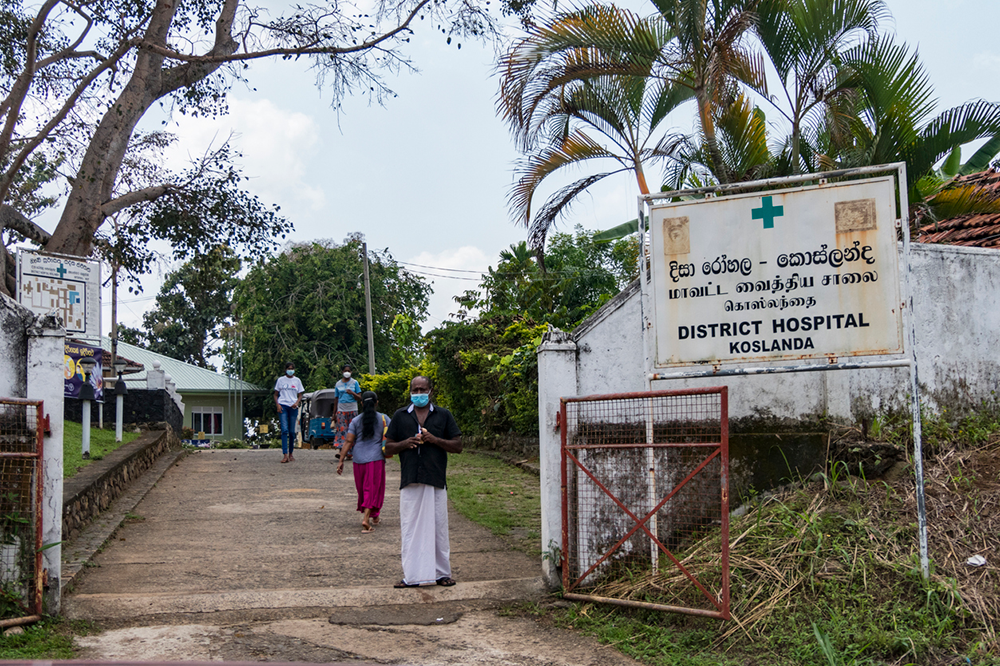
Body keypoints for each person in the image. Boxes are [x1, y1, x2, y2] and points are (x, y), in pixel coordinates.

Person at [384, 376, 462, 588]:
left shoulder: (443, 415)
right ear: (410, 391)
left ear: (431, 391)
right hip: (410, 480)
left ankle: (441, 573)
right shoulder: (400, 416)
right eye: (415, 389)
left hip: (435, 478)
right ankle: (412, 575)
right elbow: (387, 448)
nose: (419, 393)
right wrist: (405, 443)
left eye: (422, 389)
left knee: (438, 528)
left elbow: (458, 445)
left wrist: (435, 440)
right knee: (410, 528)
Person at [336, 391, 389, 533]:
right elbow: (391, 436)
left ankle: (375, 516)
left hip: (358, 460)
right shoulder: (384, 419)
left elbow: (348, 441)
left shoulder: (355, 421)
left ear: (361, 404)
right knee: (373, 489)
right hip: (375, 459)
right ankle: (366, 519)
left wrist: (341, 460)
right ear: (377, 403)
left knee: (363, 490)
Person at [273, 362, 304, 464]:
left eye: (292, 368)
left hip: (293, 407)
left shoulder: (297, 380)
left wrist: (296, 402)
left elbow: (300, 395)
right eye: (288, 368)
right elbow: (275, 394)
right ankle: (285, 454)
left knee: (291, 432)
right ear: (285, 370)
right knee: (284, 430)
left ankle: (291, 453)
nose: (290, 370)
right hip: (283, 406)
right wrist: (278, 405)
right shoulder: (280, 380)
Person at [332, 364, 362, 453]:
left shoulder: (354, 383)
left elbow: (359, 397)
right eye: (345, 371)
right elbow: (336, 399)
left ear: (351, 372)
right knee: (342, 430)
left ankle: (351, 451)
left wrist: (352, 393)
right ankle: (342, 451)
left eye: (349, 371)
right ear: (342, 372)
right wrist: (334, 414)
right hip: (341, 410)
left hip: (352, 409)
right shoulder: (338, 384)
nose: (347, 373)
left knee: (352, 430)